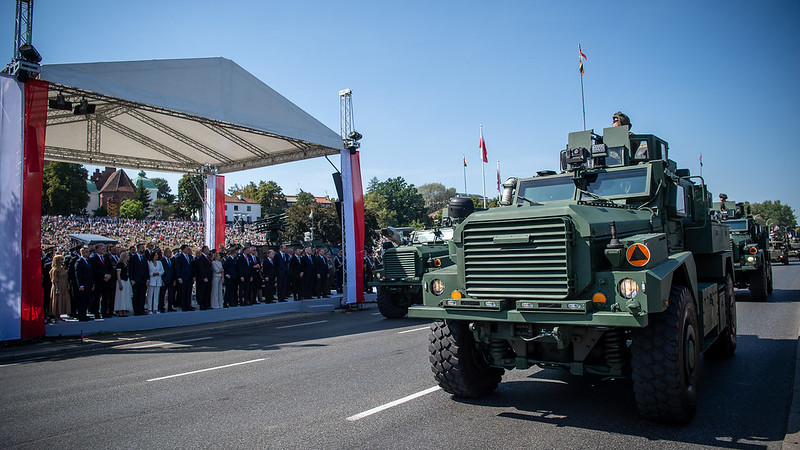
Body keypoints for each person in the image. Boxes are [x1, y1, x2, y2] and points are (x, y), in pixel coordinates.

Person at [90, 243, 115, 319]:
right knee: (97, 298)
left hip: (106, 281)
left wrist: (109, 275)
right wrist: (104, 275)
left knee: (105, 297)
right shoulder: (93, 259)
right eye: (102, 249)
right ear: (97, 250)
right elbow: (95, 269)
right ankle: (96, 313)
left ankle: (104, 312)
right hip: (98, 281)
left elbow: (110, 268)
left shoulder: (106, 258)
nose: (104, 250)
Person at [48, 254, 70, 323]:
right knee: (57, 301)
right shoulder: (54, 269)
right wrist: (56, 288)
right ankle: (56, 317)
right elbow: (54, 280)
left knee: (63, 300)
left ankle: (60, 315)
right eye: (61, 259)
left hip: (64, 286)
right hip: (58, 286)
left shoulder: (63, 268)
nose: (62, 261)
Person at [129, 243, 149, 315]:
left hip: (143, 280)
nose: (143, 249)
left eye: (143, 248)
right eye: (141, 248)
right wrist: (131, 279)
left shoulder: (144, 258)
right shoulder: (133, 258)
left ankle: (141, 309)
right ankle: (136, 310)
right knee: (136, 295)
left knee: (142, 295)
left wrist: (147, 279)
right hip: (136, 280)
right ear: (138, 249)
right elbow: (131, 269)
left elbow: (146, 269)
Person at [74, 247, 94, 321]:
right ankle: (81, 315)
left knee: (86, 300)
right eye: (87, 252)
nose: (88, 253)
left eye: (88, 252)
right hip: (83, 284)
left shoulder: (88, 261)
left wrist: (92, 284)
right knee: (82, 301)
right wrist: (80, 285)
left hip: (89, 284)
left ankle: (85, 314)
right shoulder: (79, 262)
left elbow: (91, 273)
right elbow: (78, 274)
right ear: (82, 253)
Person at [174, 244, 195, 311]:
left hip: (190, 277)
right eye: (187, 248)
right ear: (183, 250)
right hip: (183, 277)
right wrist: (179, 277)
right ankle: (184, 306)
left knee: (189, 292)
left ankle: (189, 305)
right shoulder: (179, 258)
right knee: (183, 292)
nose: (188, 250)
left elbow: (192, 267)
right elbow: (178, 269)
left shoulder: (190, 257)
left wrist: (193, 276)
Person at [114, 251, 133, 317]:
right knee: (121, 296)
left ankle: (124, 309)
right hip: (121, 281)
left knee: (126, 295)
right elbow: (118, 275)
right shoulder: (119, 264)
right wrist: (120, 283)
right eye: (127, 256)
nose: (129, 257)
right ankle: (120, 310)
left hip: (126, 280)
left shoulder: (127, 264)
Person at [195, 245, 213, 310]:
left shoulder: (208, 258)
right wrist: (204, 277)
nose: (208, 250)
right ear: (204, 250)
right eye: (207, 249)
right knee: (203, 291)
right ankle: (202, 305)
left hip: (209, 277)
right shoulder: (201, 258)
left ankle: (207, 304)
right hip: (203, 278)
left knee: (208, 291)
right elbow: (201, 269)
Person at [159, 247, 176, 312]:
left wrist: (174, 279)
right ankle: (161, 307)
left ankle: (170, 306)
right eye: (169, 253)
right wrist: (162, 280)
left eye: (170, 253)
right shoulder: (161, 261)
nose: (170, 254)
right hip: (164, 279)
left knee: (171, 294)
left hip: (171, 279)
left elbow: (174, 270)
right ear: (165, 253)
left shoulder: (172, 260)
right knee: (162, 294)